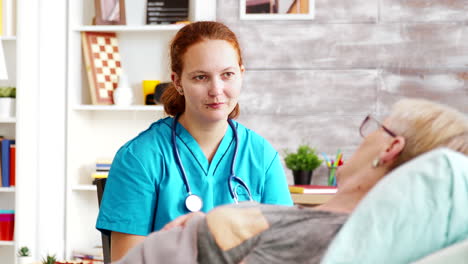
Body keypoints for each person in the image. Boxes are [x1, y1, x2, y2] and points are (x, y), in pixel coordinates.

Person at [114, 98, 468, 264]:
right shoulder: (141, 154)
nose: (363, 137)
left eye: (376, 127)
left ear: (391, 147)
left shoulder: (308, 234)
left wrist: (202, 227)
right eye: (200, 77)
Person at [96, 21, 293, 262]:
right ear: (177, 82)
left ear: (242, 73)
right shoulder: (140, 157)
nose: (216, 90)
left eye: (227, 75)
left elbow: (285, 252)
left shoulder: (261, 156)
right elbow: (126, 261)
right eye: (201, 77)